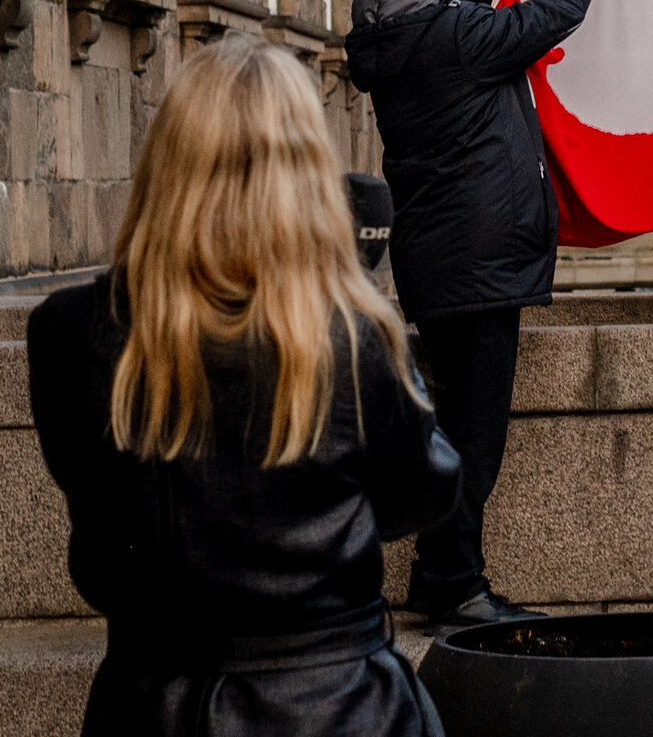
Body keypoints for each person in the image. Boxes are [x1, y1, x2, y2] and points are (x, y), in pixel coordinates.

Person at [28, 36, 461, 737]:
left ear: (167, 163)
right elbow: (422, 492)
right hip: (336, 705)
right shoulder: (352, 337)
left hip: (150, 704)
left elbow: (98, 507)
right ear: (307, 172)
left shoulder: (70, 331)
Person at [346, 0, 597, 627]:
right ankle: (457, 585)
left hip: (446, 261)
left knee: (456, 425)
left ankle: (440, 578)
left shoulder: (405, 36)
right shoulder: (450, 36)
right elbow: (557, 13)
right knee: (473, 438)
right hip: (479, 263)